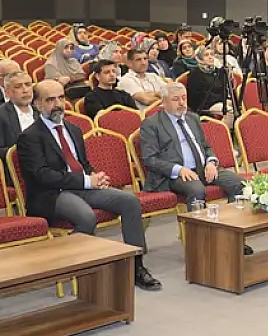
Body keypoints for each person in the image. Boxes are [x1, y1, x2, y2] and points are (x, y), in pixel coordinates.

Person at [17, 80, 161, 291]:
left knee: (129, 201)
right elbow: (42, 176)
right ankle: (77, 268)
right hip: (51, 194)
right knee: (86, 216)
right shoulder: (29, 137)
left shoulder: (74, 129)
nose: (58, 104)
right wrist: (86, 180)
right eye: (50, 100)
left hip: (81, 186)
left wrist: (95, 176)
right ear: (37, 104)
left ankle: (136, 265)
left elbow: (81, 163)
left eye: (61, 98)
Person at [139, 83, 252, 255]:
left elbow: (206, 146)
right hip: (173, 175)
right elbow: (150, 159)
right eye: (176, 99)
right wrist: (178, 169)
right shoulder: (151, 124)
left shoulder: (192, 118)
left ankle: (232, 237)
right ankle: (202, 245)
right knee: (197, 190)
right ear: (163, 102)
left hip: (202, 168)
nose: (182, 103)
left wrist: (211, 162)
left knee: (239, 183)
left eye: (184, 98)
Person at [0, 71, 37, 171]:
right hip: (18, 169)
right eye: (18, 87)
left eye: (28, 85)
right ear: (7, 93)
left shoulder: (41, 111)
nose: (25, 90)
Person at [187, 46, 233, 121]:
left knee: (238, 109)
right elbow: (198, 97)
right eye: (206, 55)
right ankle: (223, 131)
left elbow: (224, 89)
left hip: (220, 102)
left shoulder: (217, 71)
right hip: (206, 106)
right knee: (230, 111)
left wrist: (226, 99)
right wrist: (222, 101)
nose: (210, 57)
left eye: (212, 54)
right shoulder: (195, 74)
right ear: (199, 58)